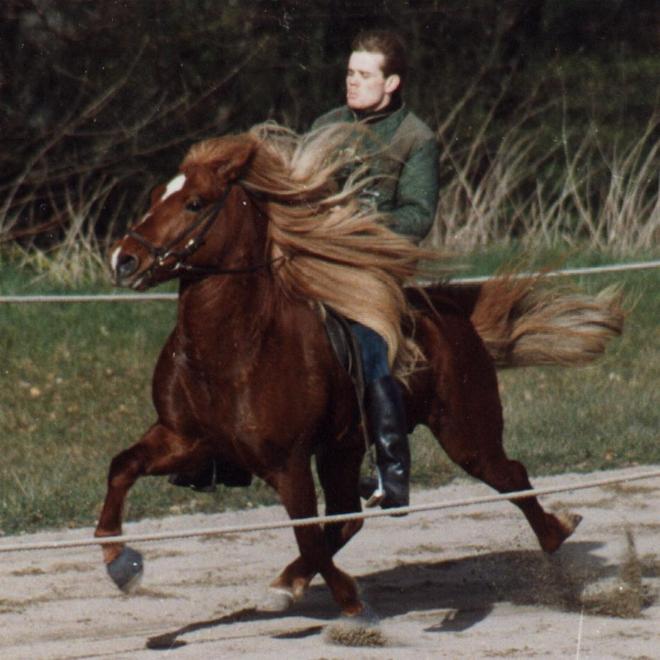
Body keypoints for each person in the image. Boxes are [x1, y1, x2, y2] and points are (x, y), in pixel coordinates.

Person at [312, 29, 439, 510]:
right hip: (316, 260)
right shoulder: (325, 125)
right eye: (349, 73)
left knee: (368, 346)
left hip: (372, 269)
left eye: (364, 75)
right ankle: (223, 458)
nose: (352, 82)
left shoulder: (415, 137)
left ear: (391, 83)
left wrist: (357, 223)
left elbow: (418, 216)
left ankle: (392, 470)